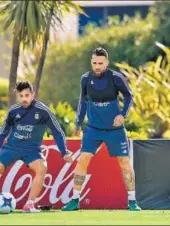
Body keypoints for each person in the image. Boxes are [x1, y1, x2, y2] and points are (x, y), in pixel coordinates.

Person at [0, 81, 73, 214]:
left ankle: (29, 204)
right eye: (21, 96)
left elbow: (57, 131)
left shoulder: (43, 111)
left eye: (27, 95)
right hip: (11, 148)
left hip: (32, 150)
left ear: (33, 94)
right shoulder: (13, 111)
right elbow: (2, 132)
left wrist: (64, 152)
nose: (24, 99)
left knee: (42, 168)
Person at [62, 47, 141, 211]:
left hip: (115, 129)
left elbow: (129, 96)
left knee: (124, 162)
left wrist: (123, 115)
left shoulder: (116, 78)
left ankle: (133, 201)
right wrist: (78, 123)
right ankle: (75, 200)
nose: (97, 66)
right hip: (93, 129)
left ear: (107, 63)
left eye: (100, 63)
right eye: (94, 63)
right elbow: (83, 101)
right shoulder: (85, 79)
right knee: (83, 159)